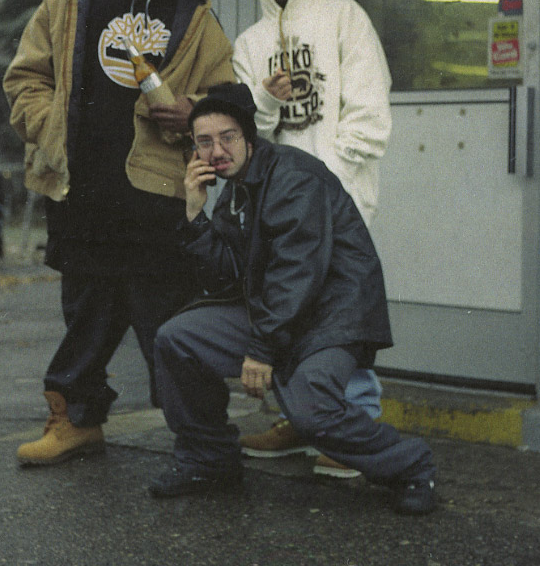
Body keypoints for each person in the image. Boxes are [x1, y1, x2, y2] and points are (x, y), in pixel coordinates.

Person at [3, 0, 234, 466]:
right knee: (86, 316)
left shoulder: (191, 13)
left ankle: (200, 438)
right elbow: (24, 78)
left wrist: (194, 112)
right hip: (82, 194)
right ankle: (76, 422)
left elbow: (228, 91)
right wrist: (51, 124)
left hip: (157, 197)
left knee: (168, 322)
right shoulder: (70, 4)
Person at [148, 83, 436, 514]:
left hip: (331, 317)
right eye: (204, 142)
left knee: (312, 412)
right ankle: (208, 460)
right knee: (178, 339)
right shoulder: (235, 187)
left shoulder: (292, 175)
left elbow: (297, 273)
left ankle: (412, 467)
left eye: (227, 137)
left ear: (249, 136)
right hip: (280, 314)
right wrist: (194, 214)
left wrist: (261, 350)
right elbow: (226, 274)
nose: (216, 151)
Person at [232, 0, 392, 476]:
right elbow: (247, 133)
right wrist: (266, 101)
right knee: (287, 302)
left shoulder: (343, 16)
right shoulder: (250, 43)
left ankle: (355, 425)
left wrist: (337, 179)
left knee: (344, 306)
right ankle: (300, 420)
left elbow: (369, 106)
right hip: (280, 204)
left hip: (340, 194)